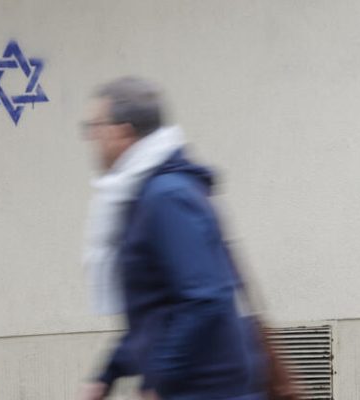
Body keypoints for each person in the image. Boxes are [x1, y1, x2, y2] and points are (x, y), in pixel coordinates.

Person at [79, 76, 267, 400]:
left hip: (208, 390)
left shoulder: (165, 197)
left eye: (96, 126)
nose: (91, 137)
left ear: (123, 131)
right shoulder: (145, 194)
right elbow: (158, 312)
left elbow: (204, 297)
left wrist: (157, 381)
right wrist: (107, 375)